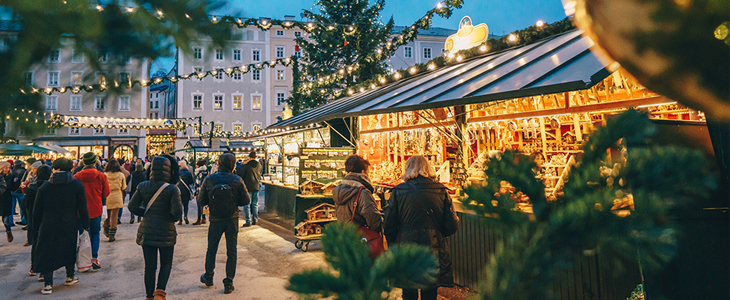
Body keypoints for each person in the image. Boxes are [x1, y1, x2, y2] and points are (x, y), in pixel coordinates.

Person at [383, 156, 459, 300]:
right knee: (430, 291)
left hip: (406, 248)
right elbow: (451, 225)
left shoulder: (398, 191)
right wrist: (439, 234)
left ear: (408, 169)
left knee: (409, 290)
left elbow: (389, 225)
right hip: (433, 247)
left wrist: (396, 244)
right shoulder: (441, 190)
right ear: (428, 168)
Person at [32, 158, 90, 295]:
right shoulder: (77, 185)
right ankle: (70, 276)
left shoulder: (44, 187)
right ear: (70, 169)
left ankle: (48, 284)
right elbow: (82, 208)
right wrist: (86, 225)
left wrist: (35, 227)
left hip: (48, 223)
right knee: (68, 248)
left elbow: (37, 210)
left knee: (48, 251)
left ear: (55, 169)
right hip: (69, 223)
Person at [129, 155, 182, 300]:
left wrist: (146, 213)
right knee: (166, 263)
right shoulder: (172, 189)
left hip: (147, 230)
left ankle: (149, 296)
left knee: (150, 267)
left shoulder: (143, 186)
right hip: (166, 231)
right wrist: (168, 218)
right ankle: (160, 293)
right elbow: (177, 214)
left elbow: (132, 206)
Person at [198, 153, 250, 294]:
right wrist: (233, 202)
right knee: (231, 251)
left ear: (219, 163)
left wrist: (213, 202)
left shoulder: (209, 179)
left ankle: (209, 277)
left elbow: (200, 200)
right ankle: (228, 282)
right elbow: (246, 200)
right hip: (232, 218)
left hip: (215, 219)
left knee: (212, 248)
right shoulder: (237, 179)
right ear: (233, 165)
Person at [74, 152, 110, 270]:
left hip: (80, 210)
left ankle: (83, 259)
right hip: (95, 208)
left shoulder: (77, 176)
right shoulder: (101, 176)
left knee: (82, 234)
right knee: (95, 233)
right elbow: (106, 193)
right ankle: (94, 257)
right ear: (95, 162)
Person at [332, 155, 382, 234]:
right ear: (363, 172)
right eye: (368, 172)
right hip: (359, 237)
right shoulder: (362, 191)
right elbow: (374, 222)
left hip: (344, 236)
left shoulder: (338, 190)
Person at [21, 164, 51, 276]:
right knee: (47, 244)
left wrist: (29, 216)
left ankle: (34, 266)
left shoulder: (31, 188)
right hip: (47, 218)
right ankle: (44, 271)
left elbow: (25, 205)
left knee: (36, 244)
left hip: (34, 219)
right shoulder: (50, 187)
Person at [237, 151, 263, 227]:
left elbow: (241, 175)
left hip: (248, 187)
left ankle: (248, 221)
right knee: (255, 204)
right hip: (257, 186)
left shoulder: (246, 166)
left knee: (247, 204)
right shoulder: (259, 165)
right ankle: (255, 220)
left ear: (249, 157)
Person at [104, 160, 126, 242]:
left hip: (107, 196)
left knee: (107, 215)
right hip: (117, 196)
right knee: (114, 216)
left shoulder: (104, 175)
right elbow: (123, 187)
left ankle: (106, 229)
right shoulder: (121, 175)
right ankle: (112, 233)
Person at [9, 160, 26, 226]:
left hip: (12, 190)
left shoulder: (11, 171)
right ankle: (24, 220)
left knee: (11, 207)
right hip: (20, 191)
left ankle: (10, 221)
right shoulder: (23, 172)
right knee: (22, 206)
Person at [177, 160, 195, 225]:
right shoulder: (188, 173)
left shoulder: (177, 173)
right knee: (186, 205)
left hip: (178, 190)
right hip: (186, 190)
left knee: (179, 205)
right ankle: (185, 216)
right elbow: (191, 182)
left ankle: (180, 219)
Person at [193, 159, 209, 225]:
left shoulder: (200, 173)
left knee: (199, 205)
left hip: (200, 190)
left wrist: (196, 190)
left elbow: (198, 182)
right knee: (204, 203)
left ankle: (199, 219)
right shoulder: (206, 171)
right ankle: (204, 218)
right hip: (206, 189)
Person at [0, 161, 11, 242]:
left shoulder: (10, 176)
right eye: (6, 167)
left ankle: (8, 231)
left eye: (8, 168)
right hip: (2, 198)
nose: (7, 169)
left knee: (6, 218)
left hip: (6, 199)